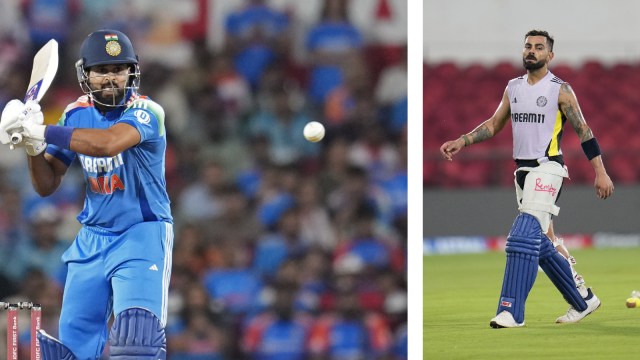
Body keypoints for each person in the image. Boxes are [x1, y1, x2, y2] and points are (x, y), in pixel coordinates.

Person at [0, 29, 173, 358]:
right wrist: (32, 147)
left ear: (132, 72)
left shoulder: (148, 112)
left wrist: (40, 129)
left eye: (119, 69)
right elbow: (47, 184)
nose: (111, 79)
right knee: (71, 350)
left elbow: (107, 144)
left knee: (138, 341)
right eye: (102, 71)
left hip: (142, 235)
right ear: (86, 75)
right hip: (92, 238)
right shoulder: (75, 113)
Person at [439, 29, 614, 328]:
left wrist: (601, 171)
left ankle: (511, 310)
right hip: (522, 173)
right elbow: (494, 124)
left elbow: (584, 131)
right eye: (528, 46)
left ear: (550, 55)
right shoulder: (513, 87)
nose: (531, 51)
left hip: (548, 167)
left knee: (521, 236)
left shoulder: (560, 89)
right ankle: (582, 299)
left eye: (538, 47)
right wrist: (464, 140)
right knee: (544, 243)